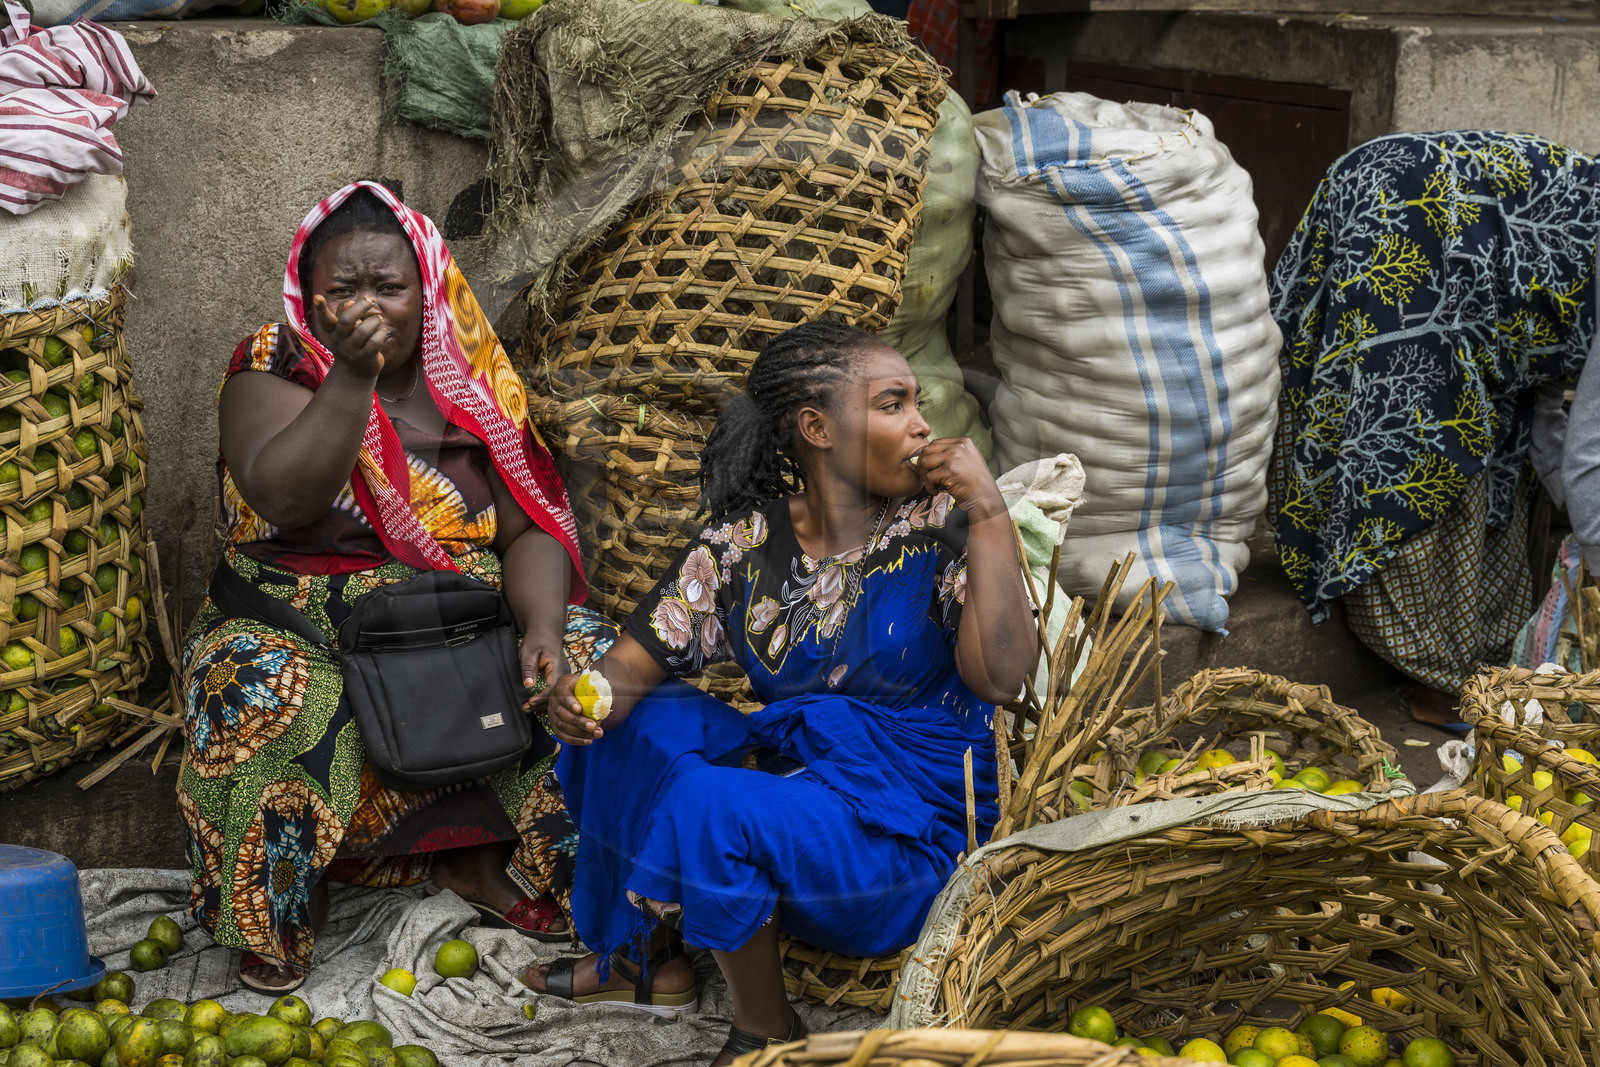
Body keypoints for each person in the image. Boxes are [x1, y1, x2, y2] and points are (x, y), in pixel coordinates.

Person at [520, 321, 1035, 1065]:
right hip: (800, 784)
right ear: (817, 428)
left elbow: (1004, 678)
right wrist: (583, 697)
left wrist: (989, 513)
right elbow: (629, 669)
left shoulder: (942, 526)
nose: (923, 424)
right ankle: (643, 955)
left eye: (918, 404)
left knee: (708, 801)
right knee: (630, 724)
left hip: (904, 836)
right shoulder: (743, 544)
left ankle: (767, 1029)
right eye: (894, 404)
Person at [177, 182, 617, 993]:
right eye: (343, 289)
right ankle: (279, 904)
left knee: (590, 669)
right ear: (311, 298)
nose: (367, 305)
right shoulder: (274, 362)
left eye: (388, 285)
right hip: (300, 616)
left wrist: (545, 628)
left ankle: (487, 863)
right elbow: (285, 495)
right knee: (261, 684)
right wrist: (351, 377)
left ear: (428, 285)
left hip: (453, 614)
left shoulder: (475, 375)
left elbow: (528, 528)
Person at [1269, 131, 1600, 727]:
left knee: (1492, 432)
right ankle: (1440, 683)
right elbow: (1587, 454)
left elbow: (1554, 415)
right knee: (1416, 440)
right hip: (1415, 216)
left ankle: (1460, 672)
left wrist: (1579, 531)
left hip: (1445, 217)